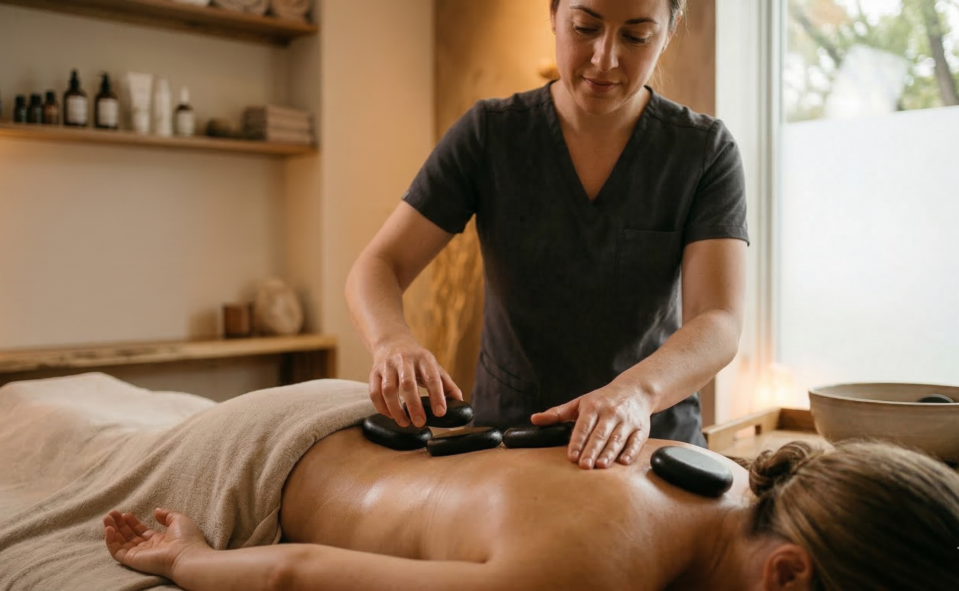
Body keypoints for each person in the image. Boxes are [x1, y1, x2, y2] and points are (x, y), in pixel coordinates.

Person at [345, 0, 749, 472]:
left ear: (670, 28)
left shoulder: (704, 151)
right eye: (585, 28)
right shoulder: (490, 135)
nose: (605, 59)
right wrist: (392, 341)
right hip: (511, 446)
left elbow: (718, 319)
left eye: (636, 37)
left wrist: (636, 392)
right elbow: (378, 265)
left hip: (651, 446)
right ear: (553, 15)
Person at [104, 435, 959, 590]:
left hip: (379, 431)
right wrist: (189, 558)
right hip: (272, 459)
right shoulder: (592, 573)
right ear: (786, 572)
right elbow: (299, 571)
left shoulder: (740, 484)